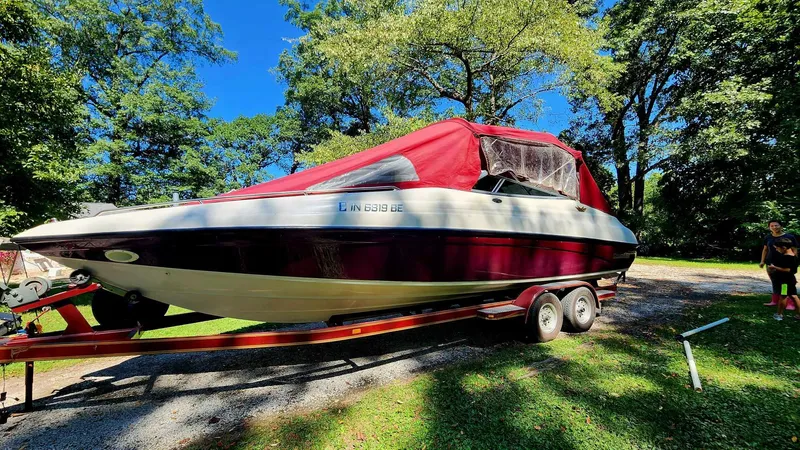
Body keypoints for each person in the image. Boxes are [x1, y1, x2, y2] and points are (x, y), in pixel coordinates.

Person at [759, 220, 798, 308]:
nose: (774, 227)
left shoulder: (789, 237)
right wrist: (762, 261)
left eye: (776, 225)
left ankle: (790, 302)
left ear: (781, 226)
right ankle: (775, 301)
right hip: (771, 263)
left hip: (785, 263)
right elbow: (765, 249)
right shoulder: (768, 237)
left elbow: (794, 250)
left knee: (787, 282)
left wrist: (794, 261)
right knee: (775, 281)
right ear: (769, 227)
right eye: (772, 226)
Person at [768, 238, 800, 320]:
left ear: (784, 247)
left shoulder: (787, 258)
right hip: (789, 279)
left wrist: (774, 267)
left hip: (785, 281)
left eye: (777, 248)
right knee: (793, 296)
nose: (776, 249)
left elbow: (788, 269)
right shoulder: (793, 256)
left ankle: (779, 315)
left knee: (783, 296)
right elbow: (793, 270)